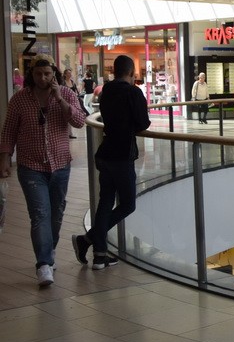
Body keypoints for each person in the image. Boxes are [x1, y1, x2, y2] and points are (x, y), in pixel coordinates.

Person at [0, 55, 87, 286]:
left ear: (54, 74)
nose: (43, 78)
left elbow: (79, 121)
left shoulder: (66, 94)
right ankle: (44, 264)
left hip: (60, 164)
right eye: (38, 74)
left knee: (56, 213)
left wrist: (60, 99)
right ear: (32, 75)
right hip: (31, 166)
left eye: (47, 74)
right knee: (40, 214)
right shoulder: (19, 99)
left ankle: (49, 252)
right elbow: (8, 130)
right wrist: (5, 158)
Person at [72, 55, 151, 270]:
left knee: (106, 201)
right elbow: (143, 122)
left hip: (105, 153)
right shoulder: (133, 92)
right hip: (121, 155)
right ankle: (87, 239)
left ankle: (99, 255)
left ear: (114, 71)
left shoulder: (106, 91)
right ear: (131, 72)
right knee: (127, 204)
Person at [62, 67, 81, 139]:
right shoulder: (63, 82)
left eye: (70, 73)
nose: (70, 74)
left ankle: (70, 133)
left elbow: (75, 91)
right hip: (64, 101)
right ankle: (67, 133)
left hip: (72, 101)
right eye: (68, 73)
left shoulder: (72, 82)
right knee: (65, 117)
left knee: (71, 116)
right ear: (65, 74)